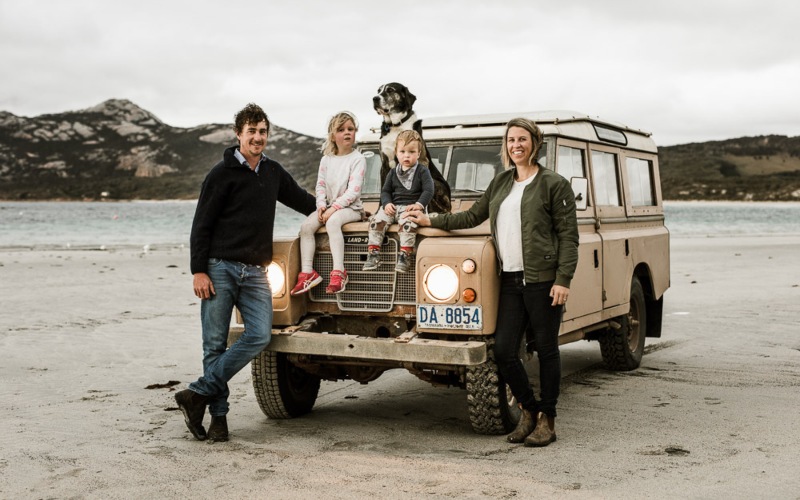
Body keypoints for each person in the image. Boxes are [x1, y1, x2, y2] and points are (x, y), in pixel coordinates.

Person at [406, 118, 578, 447]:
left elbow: (568, 237)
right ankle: (529, 410)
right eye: (512, 140)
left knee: (546, 350)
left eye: (523, 139)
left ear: (535, 143)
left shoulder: (553, 184)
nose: (517, 145)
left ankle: (548, 420)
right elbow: (471, 216)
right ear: (506, 145)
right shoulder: (501, 183)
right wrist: (431, 220)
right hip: (511, 279)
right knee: (502, 350)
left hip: (543, 281)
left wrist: (563, 279)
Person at [175, 103, 316, 442]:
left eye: (262, 131)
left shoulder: (272, 172)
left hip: (255, 272)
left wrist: (341, 208)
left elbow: (304, 201)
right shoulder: (220, 174)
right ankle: (218, 419)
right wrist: (198, 271)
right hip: (219, 268)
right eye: (251, 131)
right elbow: (201, 226)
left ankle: (196, 393)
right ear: (238, 134)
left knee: (259, 336)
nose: (257, 137)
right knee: (214, 344)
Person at [290, 111, 366, 295]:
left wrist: (333, 209)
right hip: (330, 207)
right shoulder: (327, 159)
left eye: (351, 129)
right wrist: (321, 205)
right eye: (341, 129)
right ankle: (308, 273)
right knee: (306, 226)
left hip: (352, 208)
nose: (347, 132)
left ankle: (339, 272)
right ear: (333, 135)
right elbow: (321, 185)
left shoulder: (358, 159)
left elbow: (353, 191)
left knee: (332, 222)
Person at [362, 129, 434, 274]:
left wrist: (419, 205)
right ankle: (373, 253)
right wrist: (386, 203)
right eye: (402, 151)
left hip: (410, 208)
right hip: (392, 208)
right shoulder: (393, 172)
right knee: (376, 222)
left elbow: (428, 190)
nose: (406, 155)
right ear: (396, 152)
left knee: (408, 226)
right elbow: (385, 191)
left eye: (412, 152)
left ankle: (405, 255)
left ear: (418, 154)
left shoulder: (422, 171)